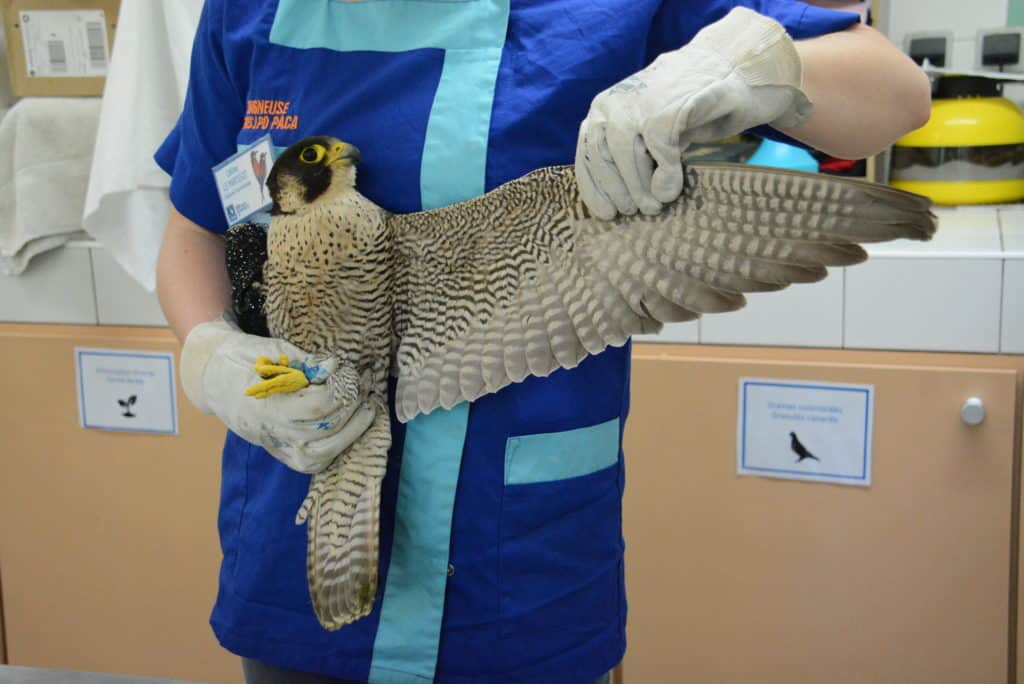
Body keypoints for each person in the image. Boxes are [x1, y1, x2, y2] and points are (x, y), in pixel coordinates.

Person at [154, 1, 930, 682]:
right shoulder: (246, 10)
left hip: (517, 573)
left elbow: (894, 92)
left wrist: (746, 60)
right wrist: (211, 358)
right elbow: (194, 231)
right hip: (299, 538)